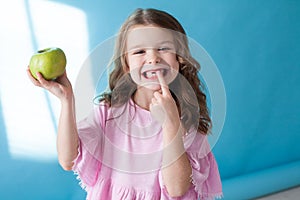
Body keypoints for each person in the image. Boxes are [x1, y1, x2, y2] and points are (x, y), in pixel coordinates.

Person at [27, 8, 222, 200]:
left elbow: (177, 188)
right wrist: (66, 99)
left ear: (178, 59)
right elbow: (67, 160)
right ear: (127, 65)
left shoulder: (187, 118)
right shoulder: (109, 113)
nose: (153, 58)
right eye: (139, 51)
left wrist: (170, 124)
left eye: (163, 48)